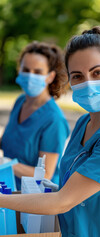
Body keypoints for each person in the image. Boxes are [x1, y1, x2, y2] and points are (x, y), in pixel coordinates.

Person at [0, 26, 100, 237]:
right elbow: (67, 189)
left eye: (97, 72)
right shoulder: (83, 123)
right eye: (78, 76)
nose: (88, 83)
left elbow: (63, 201)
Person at [0, 41, 70, 190]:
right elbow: (13, 140)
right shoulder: (21, 102)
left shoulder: (54, 120)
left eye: (37, 72)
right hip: (9, 188)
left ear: (50, 76)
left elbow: (45, 175)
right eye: (25, 69)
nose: (30, 76)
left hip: (34, 200)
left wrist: (6, 164)